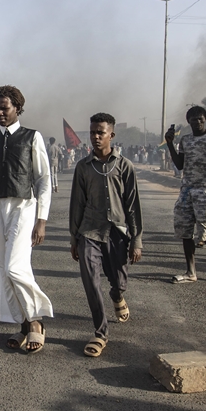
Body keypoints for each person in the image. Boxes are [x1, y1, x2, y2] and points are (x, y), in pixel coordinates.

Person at [0, 85, 52, 353]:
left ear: (17, 108)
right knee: (4, 270)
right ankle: (24, 324)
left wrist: (42, 219)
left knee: (15, 266)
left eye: (5, 108)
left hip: (24, 206)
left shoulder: (32, 137)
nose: (0, 113)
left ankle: (36, 320)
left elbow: (43, 180)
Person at [69, 113, 143, 358]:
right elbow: (77, 203)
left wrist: (136, 240)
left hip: (117, 233)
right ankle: (100, 333)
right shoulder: (83, 167)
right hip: (89, 232)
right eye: (92, 132)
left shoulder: (124, 166)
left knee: (119, 281)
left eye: (101, 132)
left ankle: (117, 294)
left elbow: (133, 206)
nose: (96, 137)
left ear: (112, 134)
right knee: (91, 281)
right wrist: (74, 237)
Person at [165, 105, 206, 283]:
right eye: (194, 119)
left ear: (205, 119)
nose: (198, 122)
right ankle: (190, 272)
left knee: (203, 230)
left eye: (201, 119)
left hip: (205, 188)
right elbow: (179, 165)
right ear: (189, 121)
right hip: (186, 188)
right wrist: (169, 143)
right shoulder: (185, 140)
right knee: (185, 230)